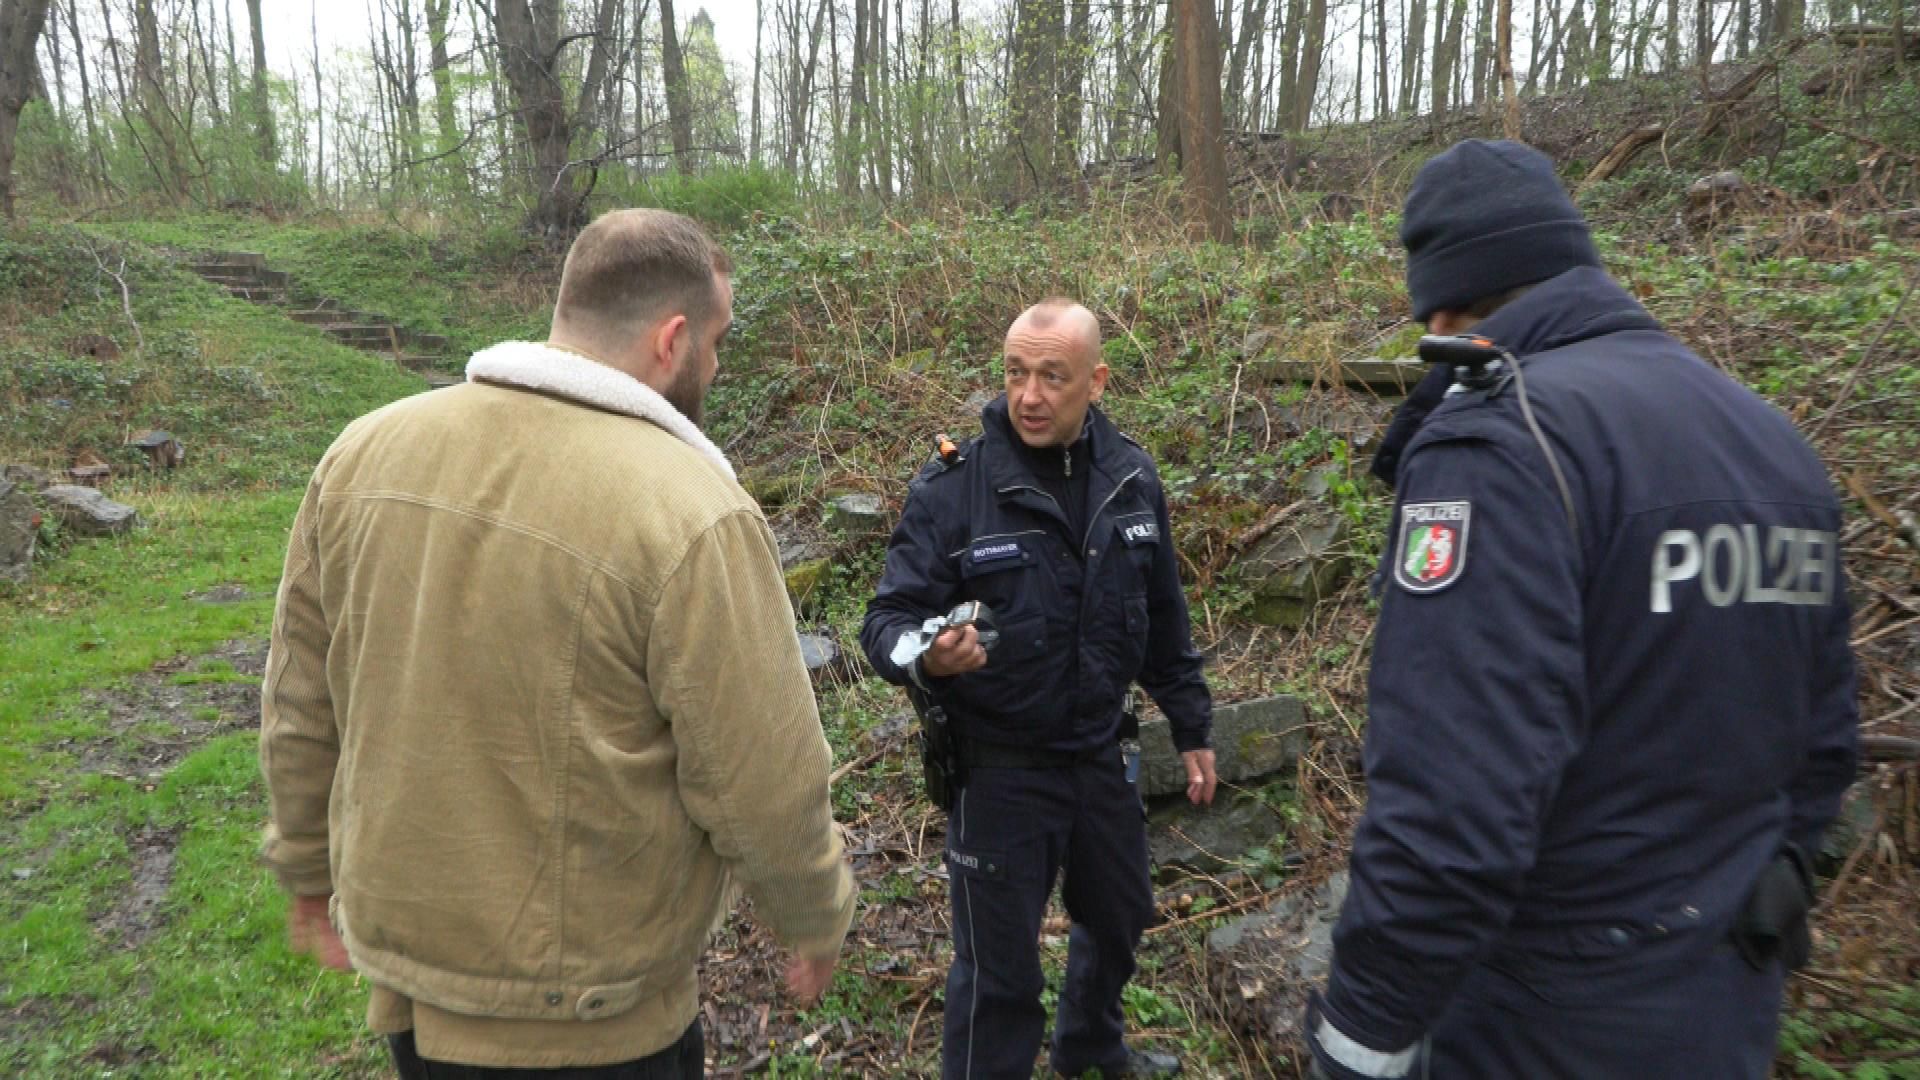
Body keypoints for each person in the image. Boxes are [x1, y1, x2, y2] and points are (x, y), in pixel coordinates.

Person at [1303, 140, 1860, 1079]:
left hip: (1542, 1015)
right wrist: (1761, 886)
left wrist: (1361, 1035)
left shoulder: (1500, 442)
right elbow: (1825, 744)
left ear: (1442, 308)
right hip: (1724, 995)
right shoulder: (1770, 440)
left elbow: (1452, 803)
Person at [259, 208, 856, 1077]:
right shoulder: (691, 509)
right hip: (595, 1018)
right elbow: (762, 775)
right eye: (718, 343)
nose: (718, 367)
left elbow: (299, 703)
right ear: (673, 339)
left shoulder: (361, 455)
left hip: (415, 990)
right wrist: (814, 912)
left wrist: (305, 865)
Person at [860, 299, 1217, 1079]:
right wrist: (930, 657)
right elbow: (886, 622)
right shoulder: (954, 489)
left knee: (1120, 919)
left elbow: (1162, 616)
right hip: (999, 772)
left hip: (1101, 756)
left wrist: (1192, 724)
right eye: (1016, 372)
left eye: (1053, 377)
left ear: (1097, 381)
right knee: (999, 975)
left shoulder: (1131, 478)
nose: (1029, 395)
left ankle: (1090, 1052)